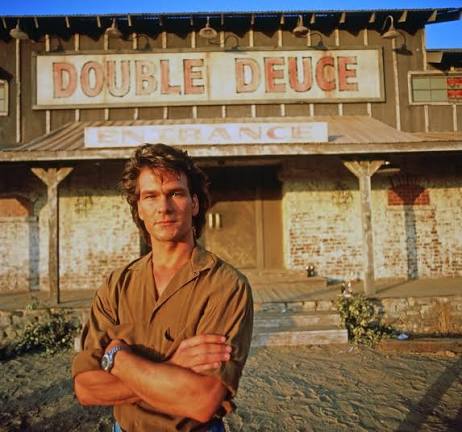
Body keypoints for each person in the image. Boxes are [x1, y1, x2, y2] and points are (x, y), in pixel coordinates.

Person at [72, 143, 254, 432]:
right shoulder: (117, 285)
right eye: (150, 196)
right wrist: (172, 365)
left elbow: (202, 400)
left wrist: (117, 358)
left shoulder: (226, 286)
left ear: (195, 204)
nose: (163, 208)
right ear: (139, 209)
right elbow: (86, 389)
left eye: (175, 194)